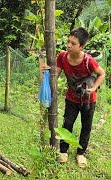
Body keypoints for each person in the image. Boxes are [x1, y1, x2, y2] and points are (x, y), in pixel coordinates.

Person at [45, 27, 105, 168]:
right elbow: (55, 74)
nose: (69, 45)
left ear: (81, 46)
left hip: (89, 100)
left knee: (86, 127)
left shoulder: (88, 61)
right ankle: (63, 151)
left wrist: (94, 87)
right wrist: (45, 72)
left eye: (73, 43)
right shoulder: (62, 57)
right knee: (68, 124)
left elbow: (101, 73)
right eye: (68, 42)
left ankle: (81, 153)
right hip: (71, 98)